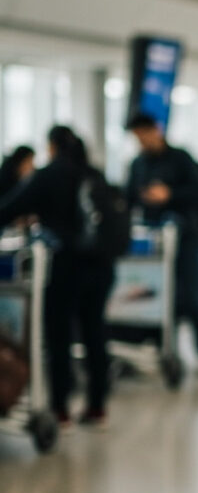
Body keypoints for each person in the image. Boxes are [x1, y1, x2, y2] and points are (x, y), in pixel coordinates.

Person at [0, 125, 115, 427]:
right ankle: (97, 407)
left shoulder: (49, 174)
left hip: (65, 267)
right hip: (101, 266)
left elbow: (8, 209)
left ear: (51, 146)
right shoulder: (94, 173)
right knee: (94, 333)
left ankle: (60, 410)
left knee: (59, 336)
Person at [125, 113, 198, 371]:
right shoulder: (138, 164)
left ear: (155, 131)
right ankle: (161, 345)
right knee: (157, 293)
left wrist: (169, 195)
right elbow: (129, 197)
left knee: (192, 292)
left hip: (185, 236)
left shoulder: (181, 158)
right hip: (153, 240)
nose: (141, 142)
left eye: (144, 135)